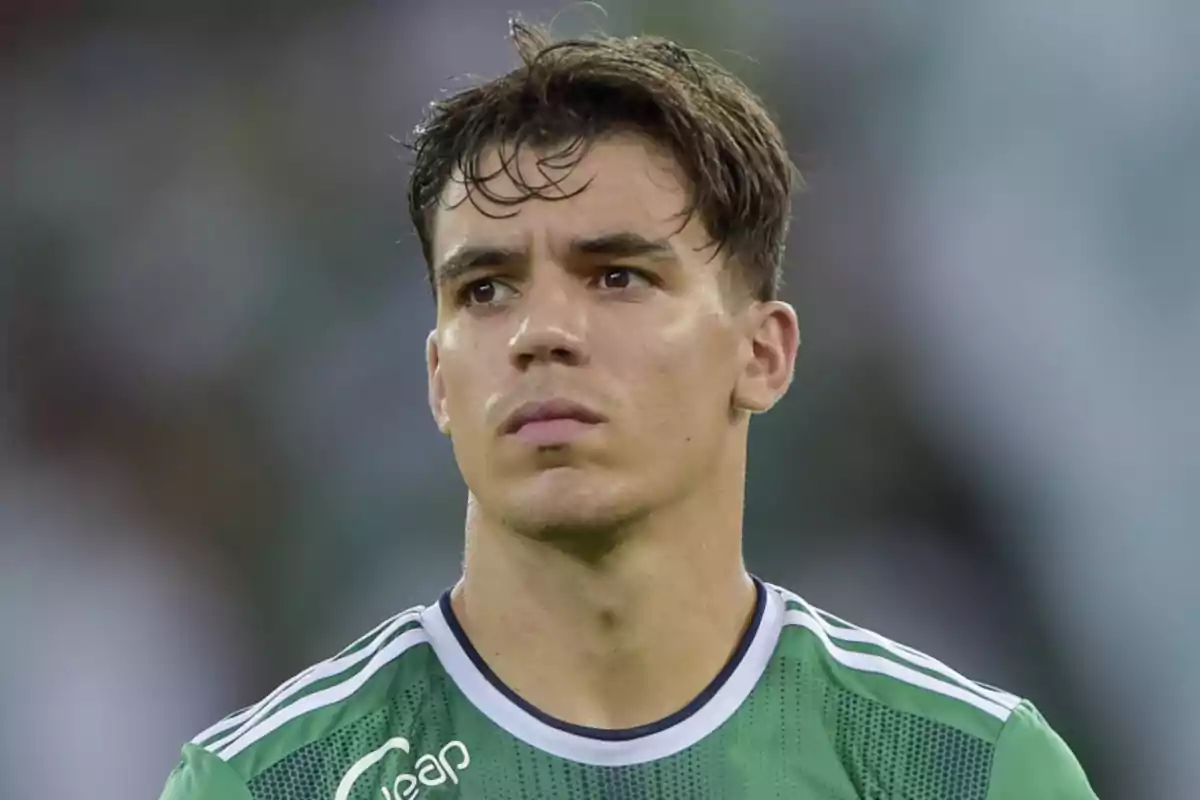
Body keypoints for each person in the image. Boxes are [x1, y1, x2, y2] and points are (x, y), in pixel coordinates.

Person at [160, 21, 1096, 800]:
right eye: (485, 289)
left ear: (763, 354)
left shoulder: (966, 770)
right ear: (439, 379)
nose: (541, 332)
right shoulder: (269, 783)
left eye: (617, 276)